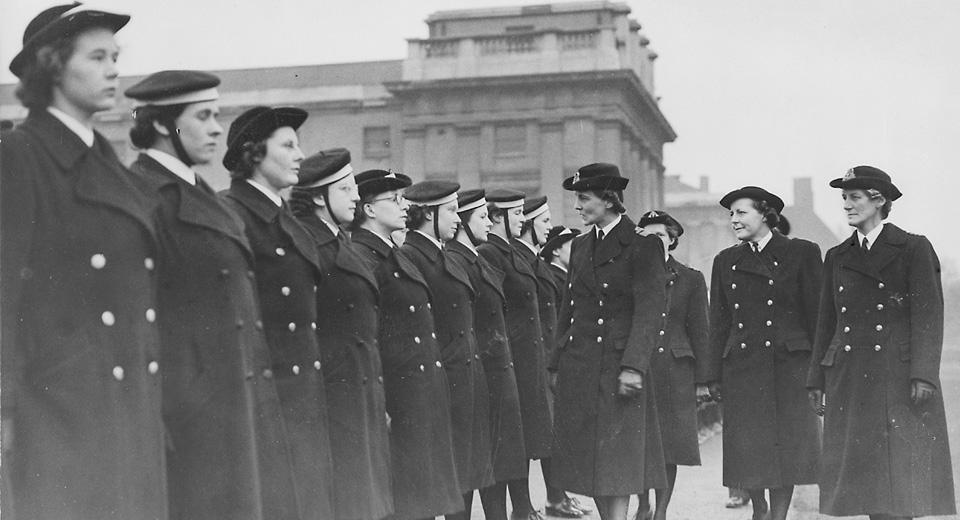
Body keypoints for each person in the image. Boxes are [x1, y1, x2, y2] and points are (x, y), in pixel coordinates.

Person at [1, 5, 168, 518]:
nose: (115, 69)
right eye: (97, 57)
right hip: (59, 413)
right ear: (52, 66)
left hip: (129, 405)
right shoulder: (19, 156)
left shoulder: (109, 165)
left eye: (115, 57)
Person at [125, 72, 275, 519]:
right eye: (203, 116)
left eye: (217, 115)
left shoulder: (199, 192)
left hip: (229, 407)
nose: (215, 128)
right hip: (186, 419)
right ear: (160, 125)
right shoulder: (141, 195)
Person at [807, 166, 956, 520]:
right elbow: (826, 322)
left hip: (898, 378)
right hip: (851, 380)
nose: (846, 205)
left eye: (854, 197)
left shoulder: (913, 248)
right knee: (869, 486)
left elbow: (928, 317)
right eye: (844, 198)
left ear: (879, 200)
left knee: (901, 484)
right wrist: (816, 378)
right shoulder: (838, 256)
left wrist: (923, 375)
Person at [219, 105, 337, 519]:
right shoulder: (232, 214)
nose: (300, 155)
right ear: (253, 154)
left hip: (303, 398)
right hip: (267, 406)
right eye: (287, 145)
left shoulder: (285, 220)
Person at [550, 163, 667, 520]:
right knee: (591, 466)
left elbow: (649, 312)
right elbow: (568, 309)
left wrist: (633, 367)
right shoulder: (582, 245)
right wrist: (555, 363)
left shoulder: (642, 246)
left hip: (619, 371)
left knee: (617, 465)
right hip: (581, 367)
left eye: (583, 198)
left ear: (608, 200)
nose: (577, 207)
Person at [350, 169, 463, 520]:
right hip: (399, 398)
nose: (404, 206)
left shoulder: (392, 253)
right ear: (369, 209)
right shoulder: (363, 257)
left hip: (421, 392)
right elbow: (367, 336)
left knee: (423, 500)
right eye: (395, 200)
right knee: (408, 502)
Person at [705, 186, 821, 520]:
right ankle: (759, 508)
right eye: (730, 214)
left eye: (741, 212)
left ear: (765, 214)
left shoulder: (801, 252)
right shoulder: (726, 261)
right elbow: (720, 322)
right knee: (748, 448)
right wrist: (712, 374)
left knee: (786, 448)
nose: (734, 220)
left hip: (789, 368)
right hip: (742, 368)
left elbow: (816, 316)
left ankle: (778, 515)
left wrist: (819, 374)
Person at [290, 149, 393, 520]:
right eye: (346, 189)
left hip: (359, 388)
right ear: (318, 197)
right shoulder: (309, 245)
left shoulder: (338, 242)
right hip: (334, 395)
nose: (355, 197)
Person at [401, 181, 496, 519]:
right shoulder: (412, 256)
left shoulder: (440, 253)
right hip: (444, 381)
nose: (458, 219)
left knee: (464, 474)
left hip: (464, 378)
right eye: (453, 211)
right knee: (445, 476)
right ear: (428, 213)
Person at [447, 189, 528, 520]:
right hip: (480, 372)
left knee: (495, 465)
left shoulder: (477, 259)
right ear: (464, 222)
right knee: (475, 467)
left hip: (495, 372)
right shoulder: (456, 260)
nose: (488, 222)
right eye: (481, 217)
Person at [479, 189, 553, 520]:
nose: (522, 219)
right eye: (516, 213)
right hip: (511, 359)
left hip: (527, 360)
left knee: (521, 439)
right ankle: (517, 510)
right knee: (507, 441)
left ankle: (522, 507)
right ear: (497, 218)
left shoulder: (513, 254)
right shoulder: (490, 254)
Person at [634, 211, 711, 520]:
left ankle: (661, 511)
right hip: (640, 368)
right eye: (647, 238)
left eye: (660, 237)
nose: (654, 243)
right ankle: (642, 505)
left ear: (672, 240)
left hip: (676, 371)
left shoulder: (690, 279)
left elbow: (700, 331)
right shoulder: (631, 277)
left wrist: (703, 381)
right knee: (638, 442)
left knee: (670, 445)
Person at [517, 198, 590, 519]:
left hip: (555, 360)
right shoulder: (552, 274)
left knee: (555, 435)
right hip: (545, 361)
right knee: (547, 434)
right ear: (558, 250)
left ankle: (558, 497)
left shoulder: (556, 274)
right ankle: (554, 499)